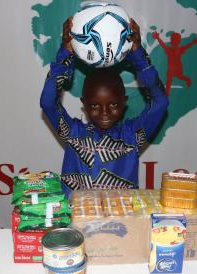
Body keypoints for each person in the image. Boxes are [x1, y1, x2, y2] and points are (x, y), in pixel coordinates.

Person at [40, 17, 169, 198]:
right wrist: (65, 53)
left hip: (123, 222)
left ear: (125, 102)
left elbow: (160, 102)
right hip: (77, 221)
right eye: (94, 105)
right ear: (84, 104)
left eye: (114, 104)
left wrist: (137, 53)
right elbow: (48, 102)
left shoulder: (132, 136)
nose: (105, 112)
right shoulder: (73, 133)